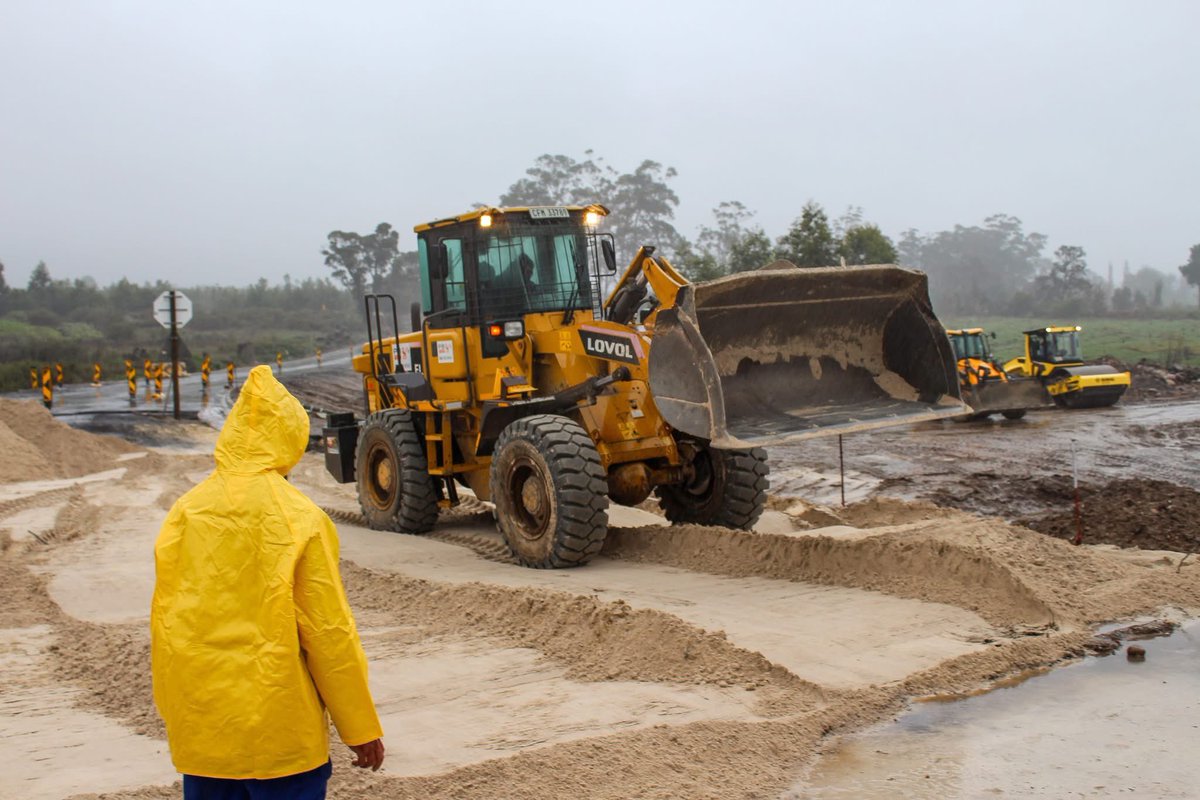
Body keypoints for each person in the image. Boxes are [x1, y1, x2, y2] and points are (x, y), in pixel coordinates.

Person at [151, 365, 384, 799]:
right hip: (280, 735)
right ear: (290, 437)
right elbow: (329, 634)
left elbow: (167, 625)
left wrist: (177, 715)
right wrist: (360, 726)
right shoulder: (299, 517)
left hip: (205, 733)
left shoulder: (185, 512)